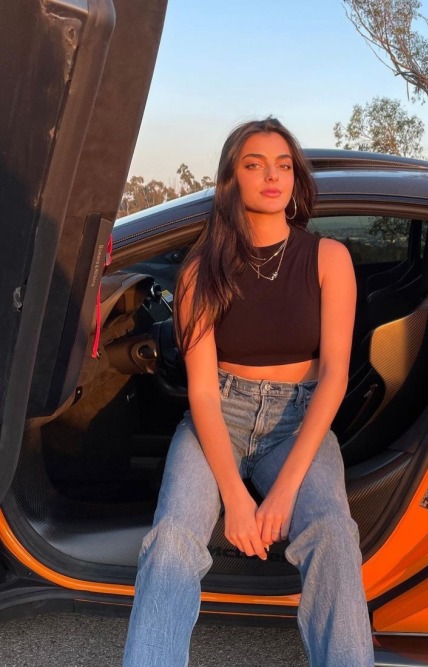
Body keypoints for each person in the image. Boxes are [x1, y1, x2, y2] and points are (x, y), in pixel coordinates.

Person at [123, 117, 374, 667]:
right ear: (231, 180)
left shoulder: (328, 258)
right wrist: (236, 500)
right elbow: (202, 393)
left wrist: (281, 495)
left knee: (333, 533)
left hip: (299, 418)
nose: (272, 176)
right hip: (220, 413)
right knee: (172, 539)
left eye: (283, 165)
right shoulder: (201, 270)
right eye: (254, 165)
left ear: (295, 178)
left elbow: (335, 375)